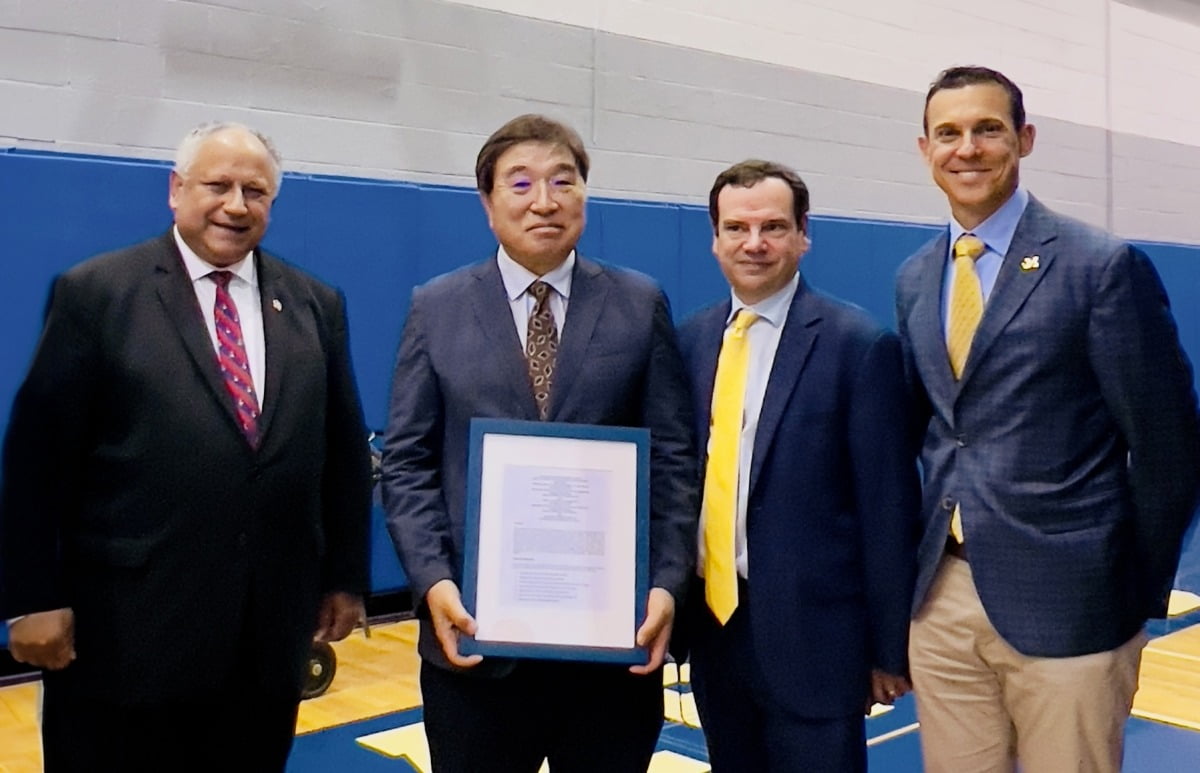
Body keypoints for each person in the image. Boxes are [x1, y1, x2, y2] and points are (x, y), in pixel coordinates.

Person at [0, 122, 373, 772]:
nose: (235, 204)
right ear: (176, 191)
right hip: (125, 638)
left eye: (254, 191)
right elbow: (36, 460)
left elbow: (339, 450)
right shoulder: (96, 294)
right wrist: (31, 596)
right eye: (217, 185)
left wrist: (344, 574)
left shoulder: (316, 304)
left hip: (264, 641)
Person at [896, 65, 1200, 772]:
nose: (966, 148)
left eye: (987, 130)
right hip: (941, 599)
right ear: (924, 150)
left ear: (1024, 139)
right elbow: (936, 431)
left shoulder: (1099, 266)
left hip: (1075, 603)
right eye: (949, 133)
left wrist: (1129, 593)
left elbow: (1167, 444)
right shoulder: (915, 276)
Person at [380, 114, 698, 773]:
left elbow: (672, 458)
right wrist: (433, 579)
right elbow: (407, 461)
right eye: (520, 182)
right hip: (473, 647)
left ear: (585, 194)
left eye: (564, 180)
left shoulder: (640, 304)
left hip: (613, 653)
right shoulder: (435, 307)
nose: (544, 200)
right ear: (487, 202)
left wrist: (667, 582)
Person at [674, 159, 919, 772]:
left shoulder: (858, 345)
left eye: (773, 227)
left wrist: (890, 649)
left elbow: (887, 509)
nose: (753, 244)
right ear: (715, 238)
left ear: (804, 234)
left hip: (818, 644)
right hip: (714, 631)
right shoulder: (691, 340)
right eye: (736, 228)